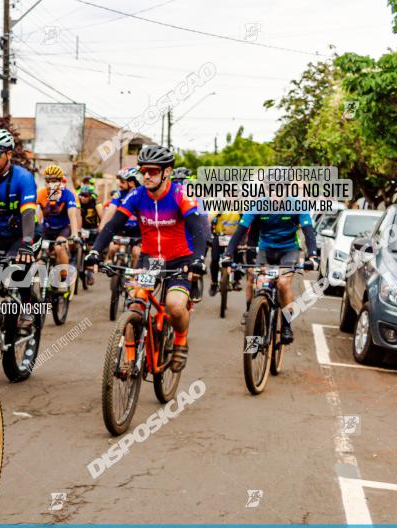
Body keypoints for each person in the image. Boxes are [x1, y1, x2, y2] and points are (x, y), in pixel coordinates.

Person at [84, 145, 207, 372]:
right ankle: (130, 359)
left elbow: (199, 229)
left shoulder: (181, 194)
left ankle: (180, 339)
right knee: (134, 304)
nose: (147, 175)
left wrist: (199, 259)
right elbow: (113, 226)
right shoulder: (137, 195)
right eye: (143, 171)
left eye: (152, 171)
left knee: (175, 306)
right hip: (150, 260)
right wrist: (95, 251)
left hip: (180, 259)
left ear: (167, 172)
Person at [221, 212, 319, 344]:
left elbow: (308, 232)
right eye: (270, 190)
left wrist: (312, 257)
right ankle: (256, 327)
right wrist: (228, 254)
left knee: (283, 283)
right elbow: (240, 230)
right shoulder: (259, 205)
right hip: (265, 251)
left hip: (289, 251)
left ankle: (286, 325)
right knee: (259, 284)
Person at [0, 127, 37, 286]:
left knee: (19, 270)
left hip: (22, 234)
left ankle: (27, 306)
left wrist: (27, 244)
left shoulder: (23, 178)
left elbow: (29, 213)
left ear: (9, 154)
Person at [36, 164, 81, 292]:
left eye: (54, 181)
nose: (51, 184)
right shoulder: (41, 194)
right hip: (47, 229)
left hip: (63, 229)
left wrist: (74, 234)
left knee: (59, 247)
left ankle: (63, 278)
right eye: (48, 181)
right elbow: (36, 214)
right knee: (38, 255)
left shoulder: (68, 195)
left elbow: (72, 216)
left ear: (61, 181)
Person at [100, 167, 142, 267]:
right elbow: (110, 210)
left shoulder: (142, 194)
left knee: (137, 253)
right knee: (112, 248)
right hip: (122, 229)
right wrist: (102, 228)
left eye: (122, 182)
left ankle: (134, 275)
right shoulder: (118, 194)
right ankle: (110, 262)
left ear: (132, 182)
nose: (119, 184)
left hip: (138, 231)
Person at [76, 177, 103, 285]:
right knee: (77, 246)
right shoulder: (78, 203)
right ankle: (77, 263)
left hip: (92, 229)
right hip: (81, 229)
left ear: (91, 196)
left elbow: (102, 216)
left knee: (90, 249)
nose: (83, 197)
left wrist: (100, 228)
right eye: (81, 195)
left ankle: (90, 272)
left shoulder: (95, 203)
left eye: (86, 195)